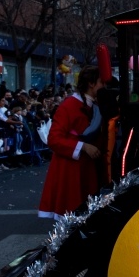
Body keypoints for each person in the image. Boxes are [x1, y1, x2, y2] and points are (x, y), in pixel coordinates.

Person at [38, 66, 104, 220]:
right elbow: (53, 139)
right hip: (70, 169)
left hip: (86, 166)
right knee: (71, 216)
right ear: (91, 83)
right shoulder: (68, 105)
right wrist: (83, 146)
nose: (103, 86)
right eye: (101, 82)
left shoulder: (93, 105)